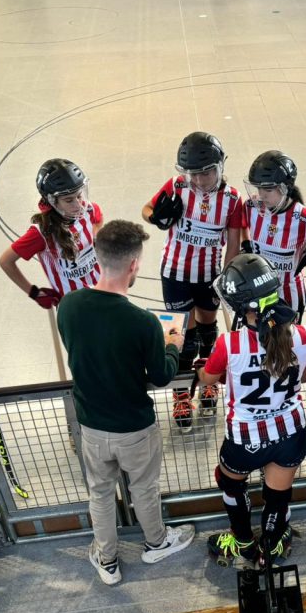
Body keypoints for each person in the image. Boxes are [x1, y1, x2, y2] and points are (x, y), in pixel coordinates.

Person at [57, 219, 196, 585]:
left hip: (91, 425)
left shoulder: (68, 306)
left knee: (100, 493)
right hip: (134, 427)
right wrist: (172, 346)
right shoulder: (143, 322)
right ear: (134, 264)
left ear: (98, 257)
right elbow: (161, 375)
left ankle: (107, 561)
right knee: (144, 488)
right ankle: (156, 543)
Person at [199, 254, 306, 568]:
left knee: (230, 484)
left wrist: (206, 369)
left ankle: (243, 542)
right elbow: (305, 375)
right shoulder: (302, 336)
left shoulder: (229, 344)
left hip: (246, 439)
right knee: (278, 496)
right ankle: (272, 544)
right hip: (290, 433)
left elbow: (208, 379)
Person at [141, 132, 246, 432]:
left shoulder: (232, 200)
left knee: (207, 331)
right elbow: (146, 209)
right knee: (181, 338)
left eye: (206, 173)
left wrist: (226, 278)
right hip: (174, 272)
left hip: (208, 275)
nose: (198, 180)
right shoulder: (177, 185)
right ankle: (180, 393)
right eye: (193, 174)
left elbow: (233, 245)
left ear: (220, 166)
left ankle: (208, 379)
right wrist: (155, 217)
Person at [0, 158, 104, 306]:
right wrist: (34, 293)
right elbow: (5, 261)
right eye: (69, 200)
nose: (78, 205)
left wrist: (96, 238)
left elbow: (98, 220)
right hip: (75, 307)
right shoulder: (41, 233)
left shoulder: (90, 210)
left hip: (103, 291)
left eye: (79, 196)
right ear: (53, 201)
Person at [240, 150, 306, 320]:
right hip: (258, 291)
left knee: (286, 338)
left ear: (284, 188)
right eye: (258, 187)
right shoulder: (252, 206)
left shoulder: (304, 218)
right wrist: (245, 243)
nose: (261, 194)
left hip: (289, 295)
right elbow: (240, 224)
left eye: (267, 189)